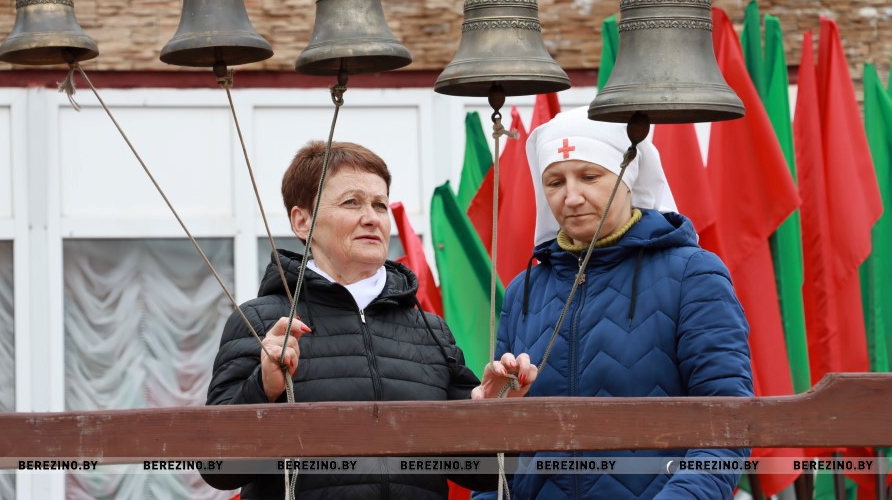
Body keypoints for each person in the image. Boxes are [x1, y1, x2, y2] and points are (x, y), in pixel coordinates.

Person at [472, 107, 754, 499]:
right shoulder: (525, 290)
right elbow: (499, 457)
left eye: (590, 176)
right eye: (555, 182)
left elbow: (727, 421)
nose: (571, 197)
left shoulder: (693, 274)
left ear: (627, 176)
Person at [202, 141, 497, 499]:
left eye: (380, 204)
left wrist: (496, 410)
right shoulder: (260, 321)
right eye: (351, 202)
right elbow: (218, 467)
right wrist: (262, 389)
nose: (372, 217)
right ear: (302, 221)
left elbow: (485, 474)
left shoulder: (430, 330)